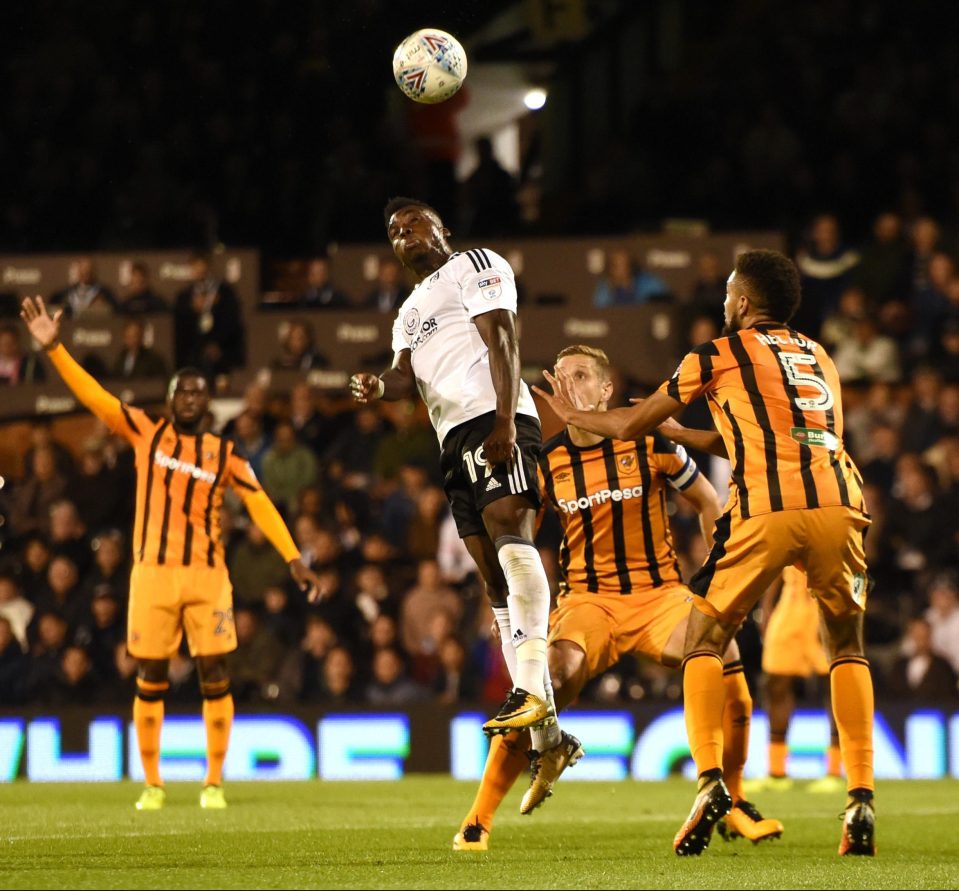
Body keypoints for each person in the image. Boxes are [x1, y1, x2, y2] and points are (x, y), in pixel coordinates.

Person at [534, 249, 875, 857]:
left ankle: (712, 782)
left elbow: (633, 421)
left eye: (726, 294)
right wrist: (681, 434)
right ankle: (860, 800)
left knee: (703, 640)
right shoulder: (819, 356)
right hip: (841, 500)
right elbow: (788, 433)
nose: (722, 304)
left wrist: (576, 413)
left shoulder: (717, 353)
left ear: (742, 302)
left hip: (768, 508)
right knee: (846, 648)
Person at [454, 345, 782, 852]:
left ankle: (730, 800)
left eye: (581, 376)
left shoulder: (649, 440)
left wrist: (715, 574)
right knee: (545, 683)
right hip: (588, 604)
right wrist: (507, 611)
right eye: (559, 376)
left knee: (725, 653)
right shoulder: (546, 460)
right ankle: (478, 820)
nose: (568, 384)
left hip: (660, 597)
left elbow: (707, 501)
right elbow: (518, 544)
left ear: (606, 390)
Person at [20, 295, 320, 811]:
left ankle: (214, 783)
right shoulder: (145, 432)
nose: (189, 398)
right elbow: (95, 399)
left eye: (198, 393)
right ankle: (154, 783)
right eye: (182, 390)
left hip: (207, 578)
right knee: (151, 675)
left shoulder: (225, 453)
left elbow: (261, 502)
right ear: (170, 397)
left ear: (207, 404)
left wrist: (293, 556)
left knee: (215, 674)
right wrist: (55, 350)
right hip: (152, 576)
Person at [350, 197, 558, 742]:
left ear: (441, 227)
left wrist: (508, 422)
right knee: (491, 575)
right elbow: (403, 378)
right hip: (453, 437)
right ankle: (548, 738)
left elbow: (503, 339)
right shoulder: (407, 312)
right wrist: (378, 386)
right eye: (393, 230)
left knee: (513, 535)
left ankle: (531, 691)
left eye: (413, 223)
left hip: (495, 416)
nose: (402, 234)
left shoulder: (476, 264)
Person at [750, 565, 843, 793]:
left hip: (823, 599)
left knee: (833, 686)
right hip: (790, 602)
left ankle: (834, 771)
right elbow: (777, 555)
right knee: (776, 684)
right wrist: (767, 605)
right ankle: (777, 772)